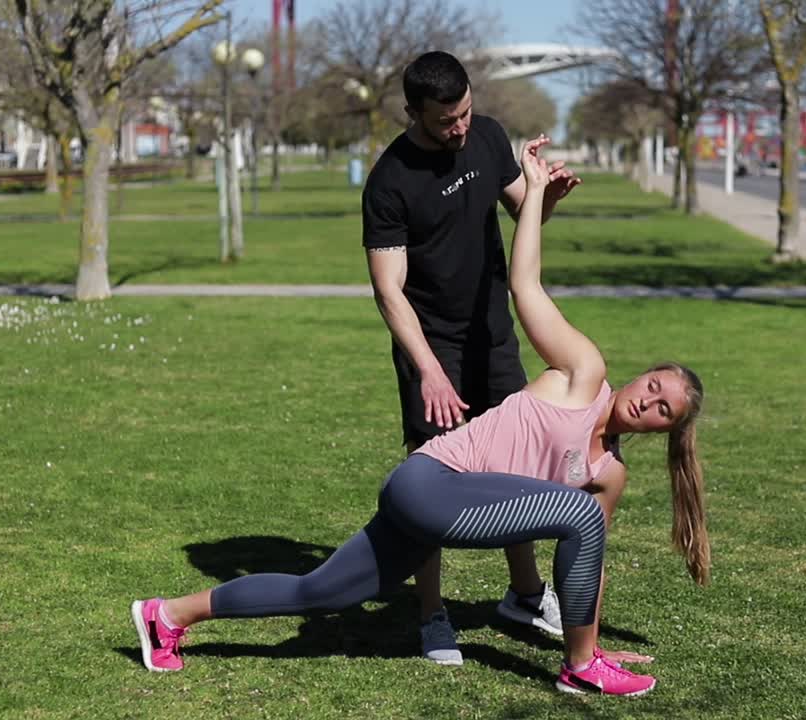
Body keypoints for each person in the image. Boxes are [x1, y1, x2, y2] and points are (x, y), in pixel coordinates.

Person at [130, 137, 710, 697]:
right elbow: (524, 283)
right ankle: (580, 668)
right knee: (577, 514)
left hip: (440, 510)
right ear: (641, 374)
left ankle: (166, 616)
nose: (648, 402)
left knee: (321, 592)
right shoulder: (583, 372)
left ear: (667, 431)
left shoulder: (608, 473)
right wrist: (532, 192)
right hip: (428, 482)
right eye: (653, 386)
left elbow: (590, 565)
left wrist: (597, 631)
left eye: (664, 410)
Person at [359, 51, 580, 665]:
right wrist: (428, 367)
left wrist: (546, 194)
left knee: (515, 466)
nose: (459, 128)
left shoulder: (485, 136)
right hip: (432, 346)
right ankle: (432, 613)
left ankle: (526, 593)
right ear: (414, 113)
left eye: (464, 112)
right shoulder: (390, 181)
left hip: (493, 336)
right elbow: (388, 289)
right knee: (431, 482)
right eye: (445, 120)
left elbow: (520, 211)